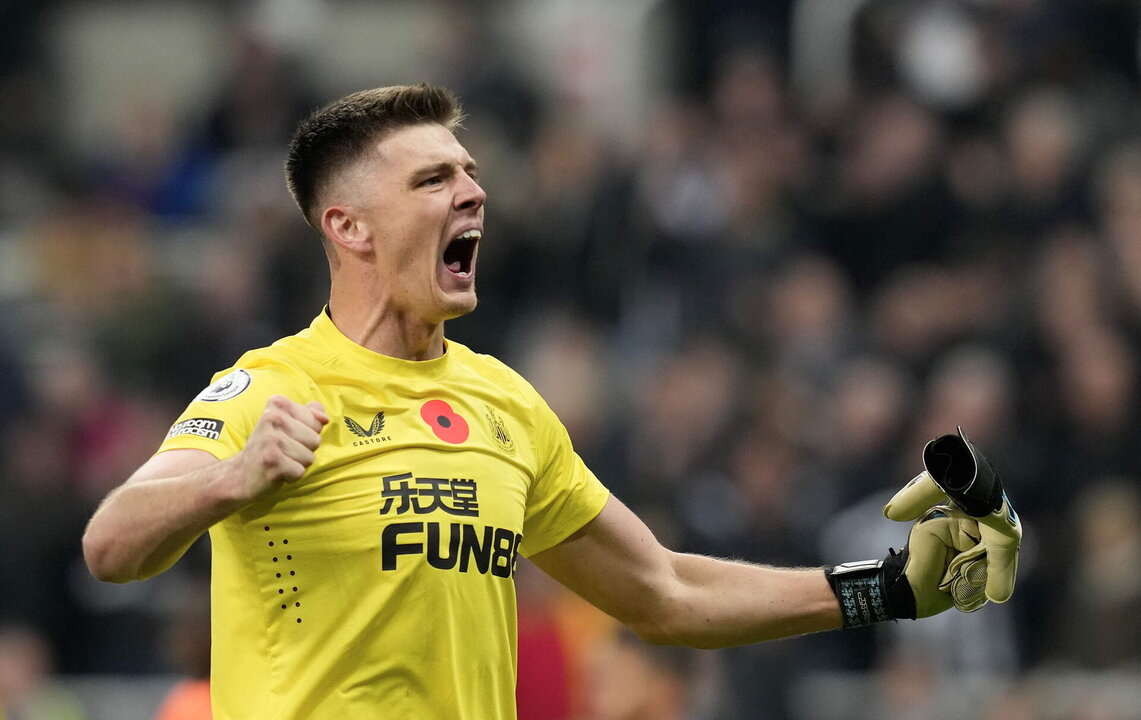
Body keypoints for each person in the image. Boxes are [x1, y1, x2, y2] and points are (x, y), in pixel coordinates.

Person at [82, 84, 1018, 720]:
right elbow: (111, 544)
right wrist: (230, 482)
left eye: (471, 172)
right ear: (348, 226)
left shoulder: (505, 406)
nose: (474, 192)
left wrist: (885, 588)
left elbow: (663, 591)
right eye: (433, 179)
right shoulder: (270, 387)